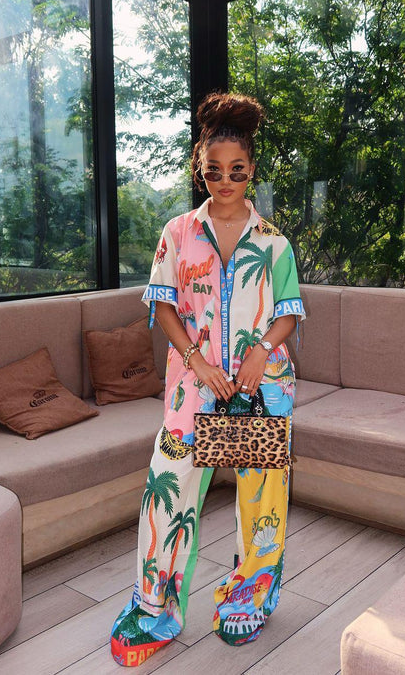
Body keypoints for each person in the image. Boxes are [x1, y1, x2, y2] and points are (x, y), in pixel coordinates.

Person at [110, 92, 306, 668]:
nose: (225, 181)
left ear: (252, 170)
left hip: (258, 388)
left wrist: (258, 355)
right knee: (167, 489)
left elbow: (289, 313)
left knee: (260, 498)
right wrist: (197, 361)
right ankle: (154, 608)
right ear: (200, 168)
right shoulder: (177, 233)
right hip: (192, 387)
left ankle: (249, 596)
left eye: (237, 170)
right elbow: (163, 306)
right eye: (214, 170)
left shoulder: (274, 242)